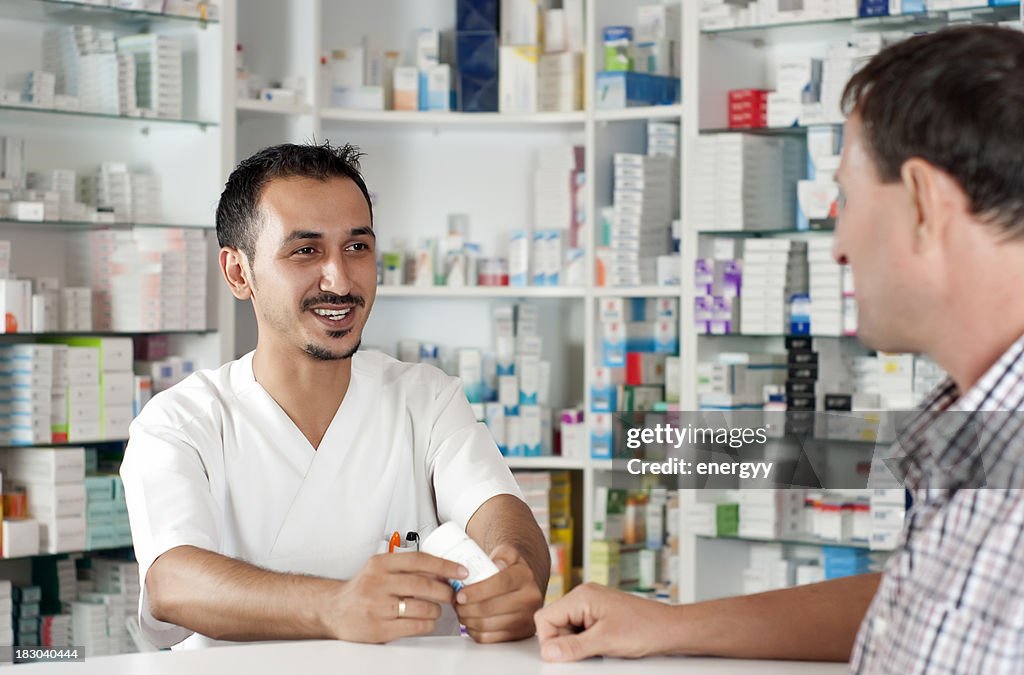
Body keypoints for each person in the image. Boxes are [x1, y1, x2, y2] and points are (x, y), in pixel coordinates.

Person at [535, 25, 1024, 673]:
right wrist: (668, 623)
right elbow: (922, 600)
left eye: (846, 199)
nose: (838, 245)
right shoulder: (976, 436)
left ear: (925, 203)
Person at [120, 142, 549, 649]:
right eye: (306, 250)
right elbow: (173, 584)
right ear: (239, 272)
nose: (340, 280)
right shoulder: (181, 421)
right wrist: (333, 605)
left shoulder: (425, 398)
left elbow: (499, 510)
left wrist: (513, 571)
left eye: (357, 247)